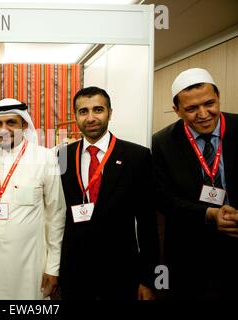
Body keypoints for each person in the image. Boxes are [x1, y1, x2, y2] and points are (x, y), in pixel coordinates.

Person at [58, 86, 160, 300]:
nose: (91, 117)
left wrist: (148, 279)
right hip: (75, 269)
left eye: (98, 109)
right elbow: (58, 214)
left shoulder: (137, 156)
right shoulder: (63, 156)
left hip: (121, 269)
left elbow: (147, 223)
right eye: (83, 111)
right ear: (75, 116)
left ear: (110, 113)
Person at [152, 68, 238, 299]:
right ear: (177, 110)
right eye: (191, 109)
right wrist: (209, 213)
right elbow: (163, 199)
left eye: (209, 103)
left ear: (218, 98)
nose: (203, 114)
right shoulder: (162, 142)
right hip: (189, 247)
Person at [0, 98, 66, 300]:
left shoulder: (45, 157)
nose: (3, 129)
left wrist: (53, 267)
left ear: (24, 123)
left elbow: (56, 214)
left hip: (30, 261)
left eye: (11, 122)